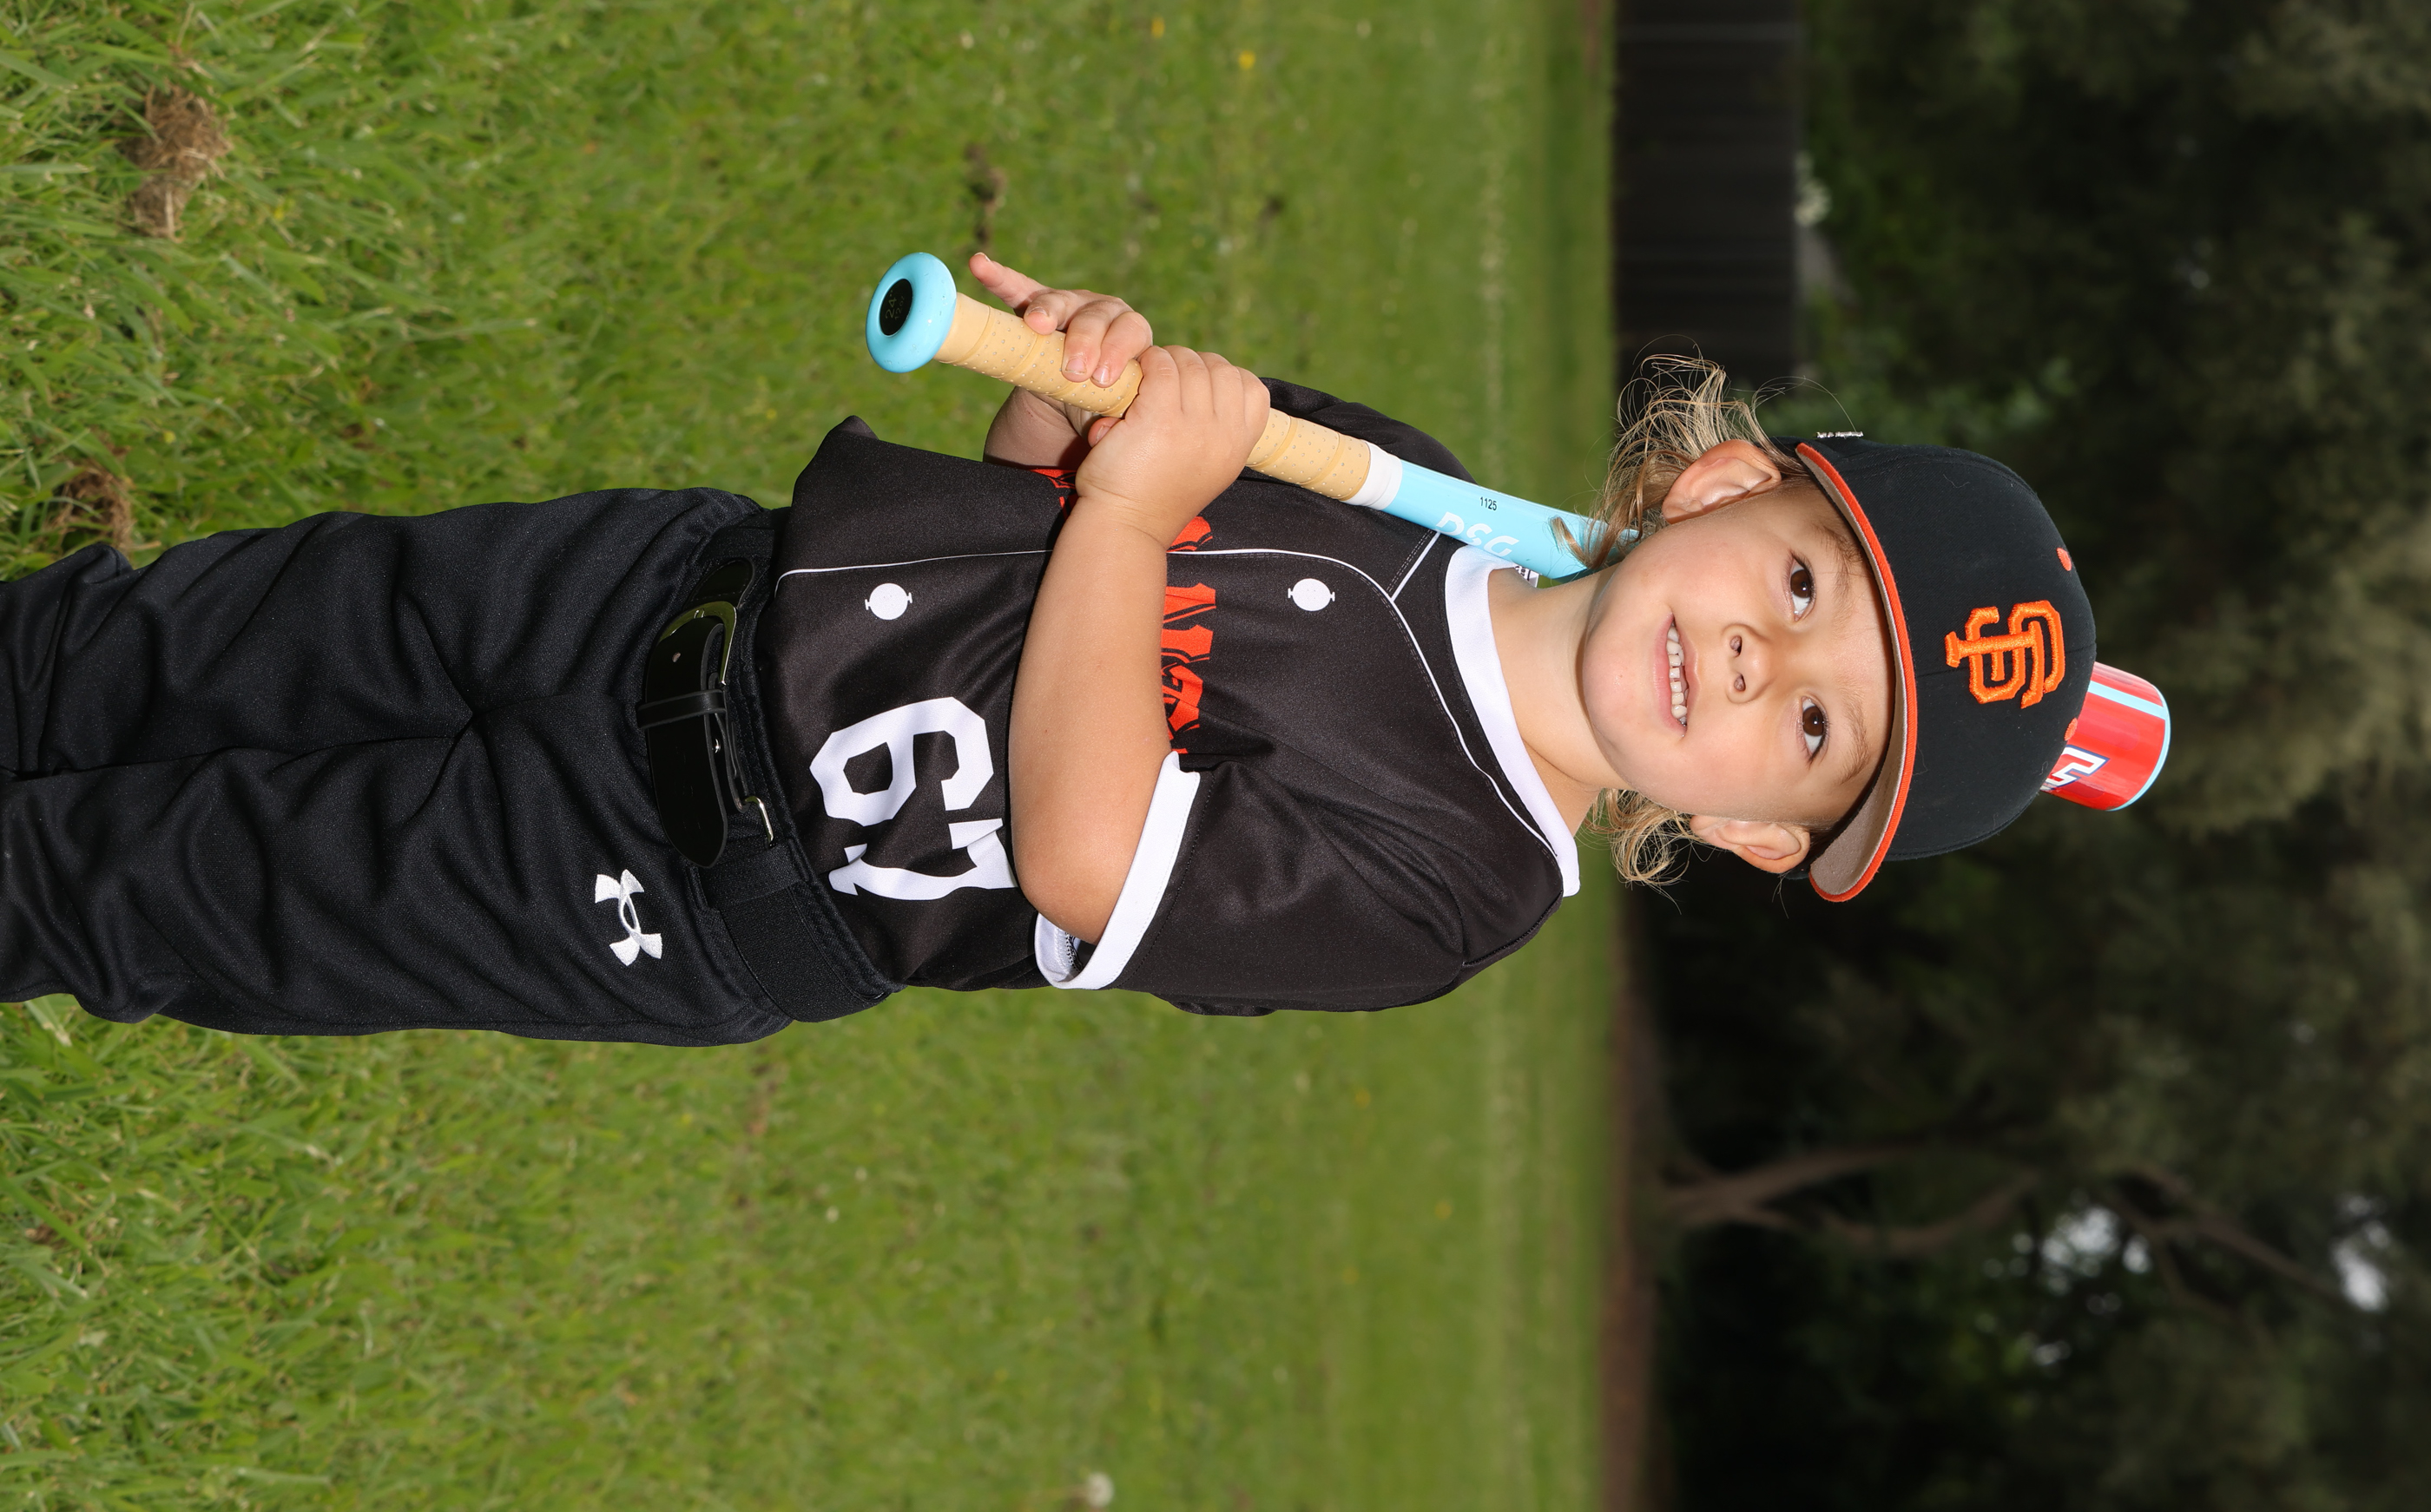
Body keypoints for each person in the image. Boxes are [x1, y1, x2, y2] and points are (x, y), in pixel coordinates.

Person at [0, 257, 2092, 1042]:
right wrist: (1076, 408)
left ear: (1753, 833)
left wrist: (1130, 508)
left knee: (146, 881)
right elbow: (1040, 502)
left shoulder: (1453, 887)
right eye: (1798, 591)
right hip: (673, 587)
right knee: (142, 651)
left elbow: (1088, 847)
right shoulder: (1412, 485)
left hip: (688, 875)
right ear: (1723, 488)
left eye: (1812, 735)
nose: (1756, 670)